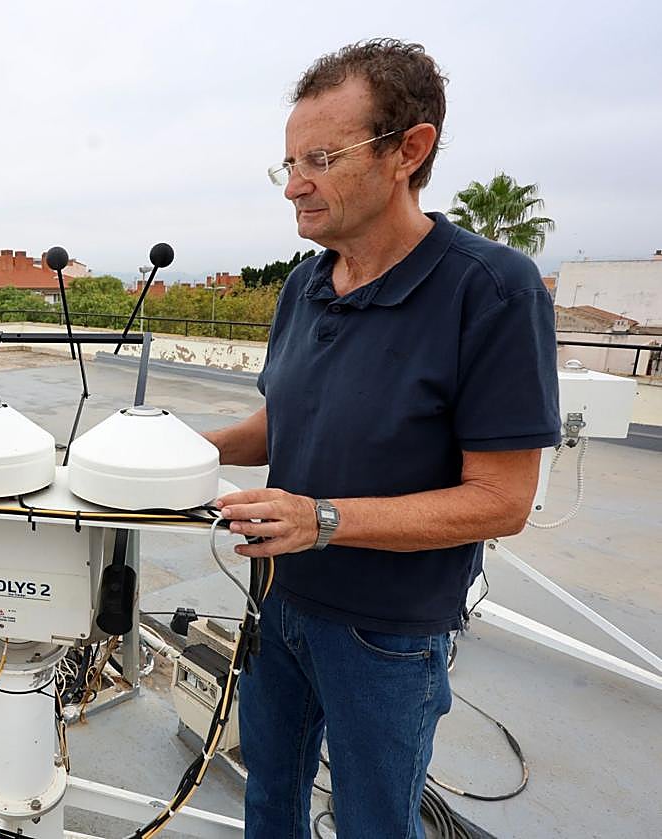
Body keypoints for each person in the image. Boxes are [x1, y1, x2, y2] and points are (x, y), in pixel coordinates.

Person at [205, 39, 560, 838]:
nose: (294, 184)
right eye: (288, 162)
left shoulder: (491, 289)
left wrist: (322, 519)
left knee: (373, 822)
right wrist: (175, 446)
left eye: (321, 158)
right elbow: (280, 421)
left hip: (384, 635)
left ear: (409, 150)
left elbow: (501, 501)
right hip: (276, 600)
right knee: (268, 800)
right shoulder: (305, 282)